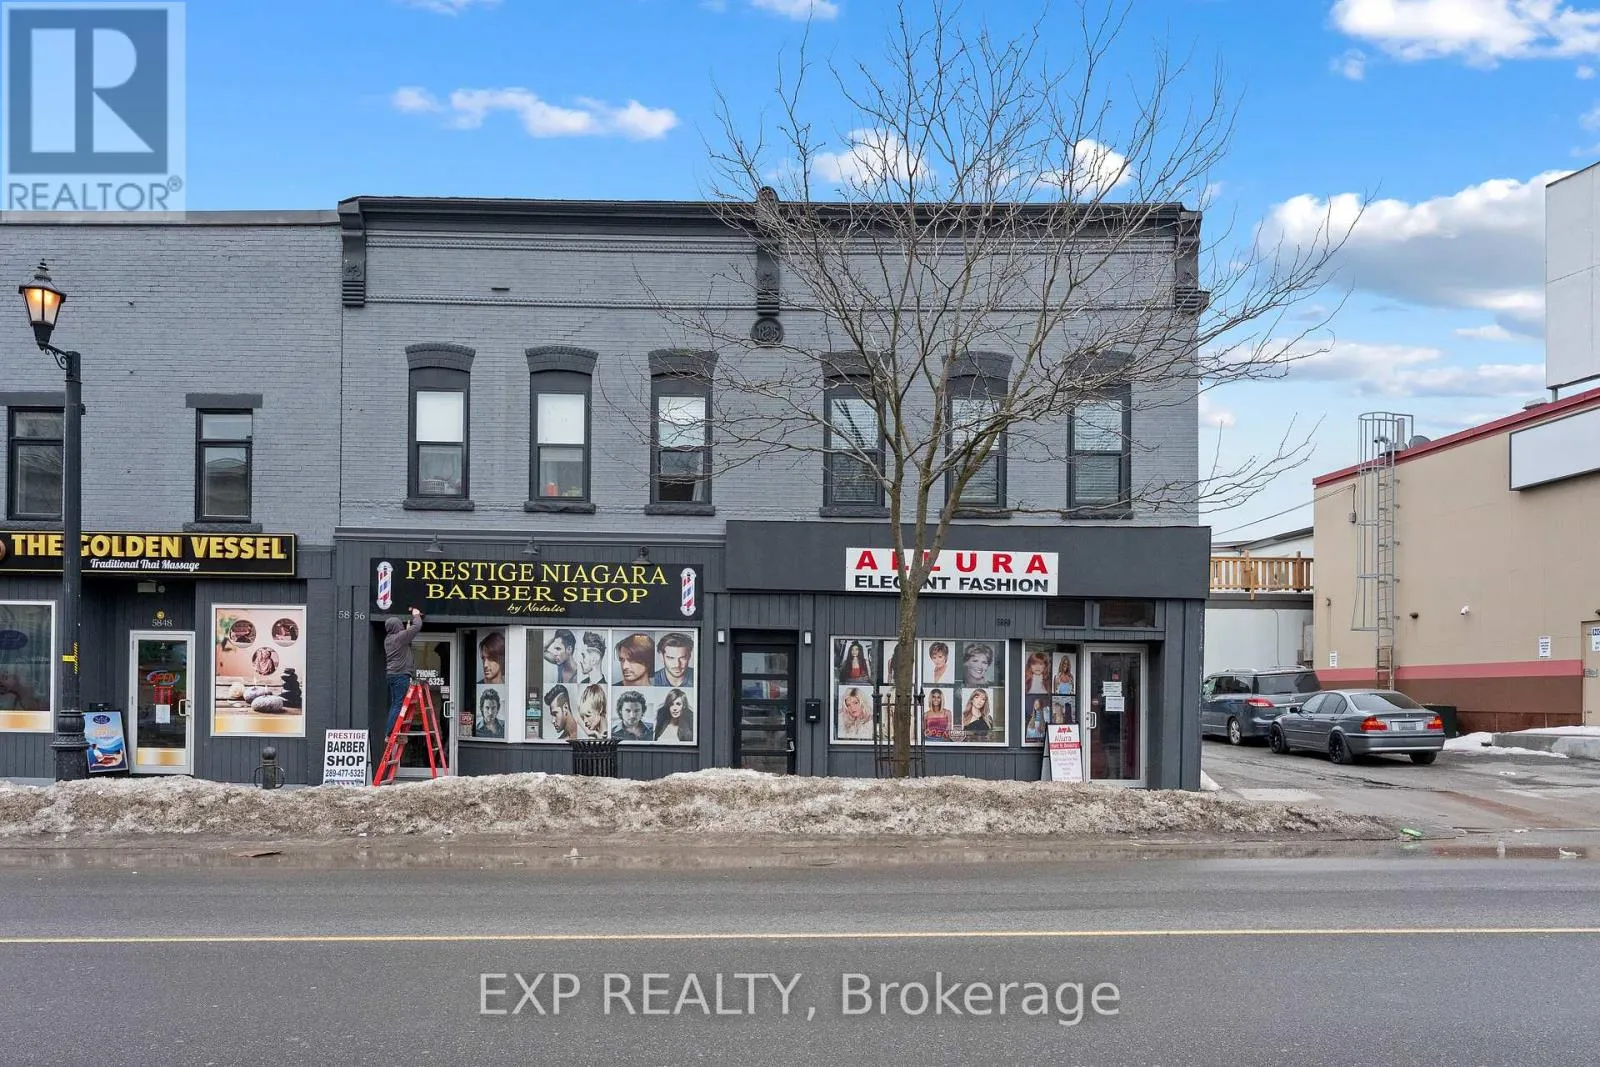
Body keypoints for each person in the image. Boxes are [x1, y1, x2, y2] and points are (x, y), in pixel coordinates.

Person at [382, 608, 423, 737]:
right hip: (400, 675)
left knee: (396, 703)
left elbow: (406, 639)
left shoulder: (388, 639)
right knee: (398, 704)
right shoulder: (400, 637)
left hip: (392, 675)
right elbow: (417, 626)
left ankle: (393, 731)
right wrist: (416, 615)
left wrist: (406, 630)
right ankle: (390, 733)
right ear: (397, 626)